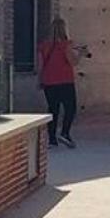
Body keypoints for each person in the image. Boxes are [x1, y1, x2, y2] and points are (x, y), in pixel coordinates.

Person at [38, 18, 84, 148]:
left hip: (49, 81)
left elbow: (41, 65)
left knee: (53, 109)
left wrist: (40, 80)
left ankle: (52, 140)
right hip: (65, 81)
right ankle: (64, 133)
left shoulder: (44, 46)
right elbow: (73, 62)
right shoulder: (66, 45)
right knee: (70, 108)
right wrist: (80, 54)